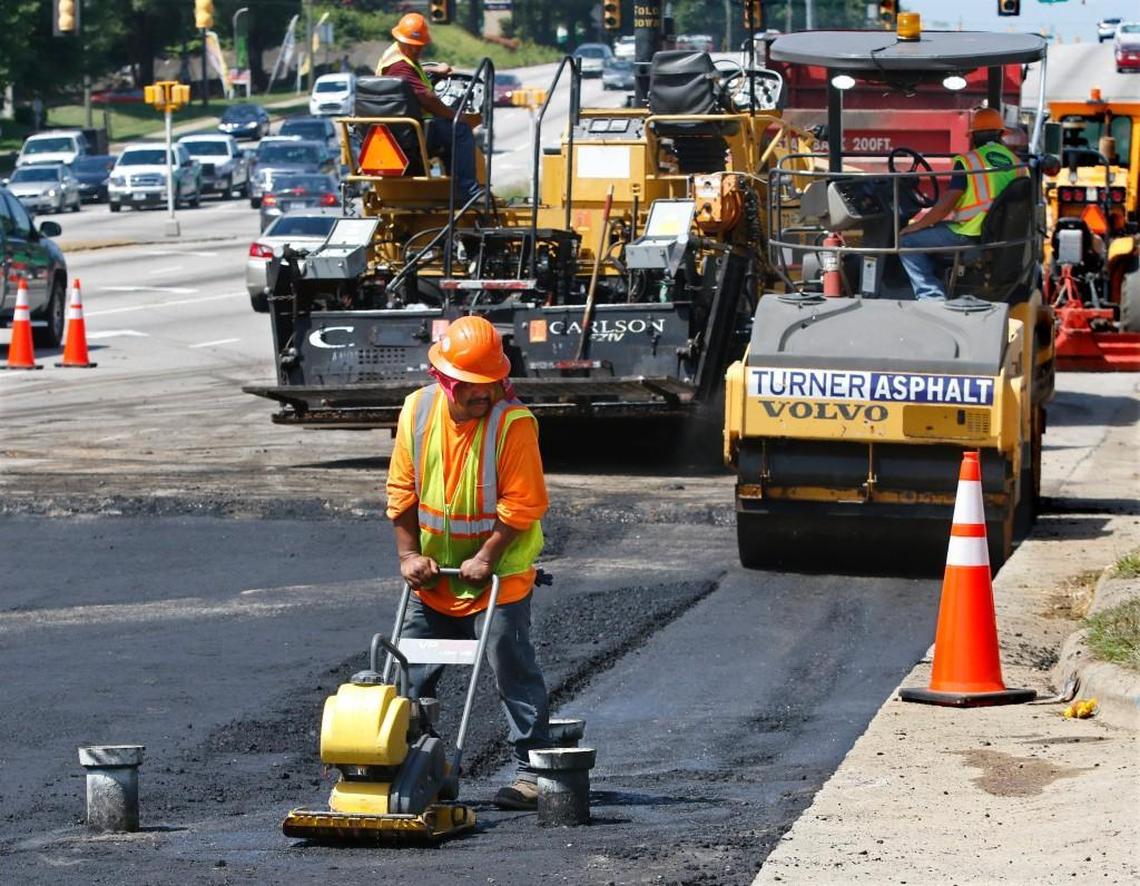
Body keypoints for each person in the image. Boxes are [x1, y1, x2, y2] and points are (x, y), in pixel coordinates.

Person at [385, 315, 551, 811]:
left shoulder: (513, 423)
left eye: (491, 387)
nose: (483, 399)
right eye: (471, 391)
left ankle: (532, 771)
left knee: (509, 663)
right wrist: (408, 555)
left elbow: (520, 506)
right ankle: (413, 763)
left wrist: (485, 557)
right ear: (444, 382)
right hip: (436, 574)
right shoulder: (417, 411)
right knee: (407, 672)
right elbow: (402, 493)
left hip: (500, 573)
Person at [899, 107, 1024, 300]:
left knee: (906, 242)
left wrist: (918, 225)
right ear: (1000, 134)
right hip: (998, 236)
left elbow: (946, 204)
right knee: (930, 232)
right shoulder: (1018, 164)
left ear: (973, 136)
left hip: (969, 234)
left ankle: (931, 297)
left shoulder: (970, 161)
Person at [376, 12, 482, 200]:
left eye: (420, 47)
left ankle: (452, 187)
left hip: (398, 128)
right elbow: (429, 99)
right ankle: (468, 191)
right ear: (401, 39)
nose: (417, 51)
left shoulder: (395, 56)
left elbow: (413, 73)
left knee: (449, 133)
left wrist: (435, 71)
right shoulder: (401, 66)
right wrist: (456, 116)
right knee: (460, 129)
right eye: (412, 46)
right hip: (413, 132)